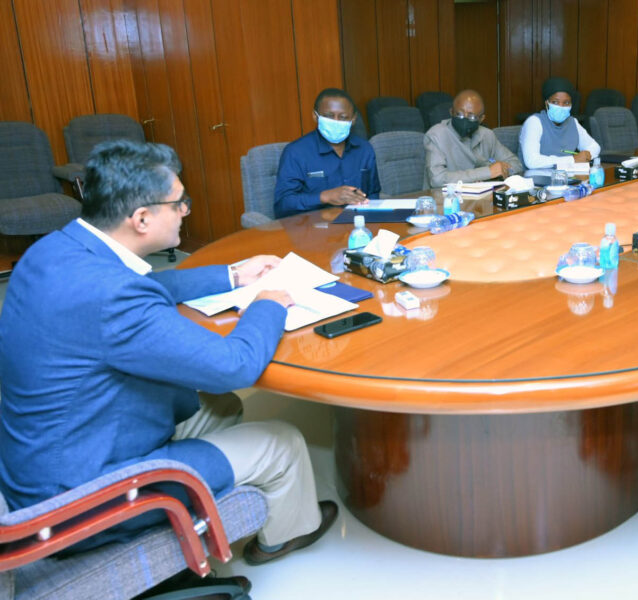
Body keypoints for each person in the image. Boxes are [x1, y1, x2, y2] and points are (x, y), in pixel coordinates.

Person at [0, 140, 337, 567]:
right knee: (282, 442)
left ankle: (211, 481)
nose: (185, 211)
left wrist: (232, 275)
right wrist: (267, 304)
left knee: (218, 407)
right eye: (178, 203)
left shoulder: (56, 248)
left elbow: (142, 286)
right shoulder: (113, 298)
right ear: (142, 218)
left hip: (44, 453)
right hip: (76, 496)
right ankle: (287, 536)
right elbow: (235, 365)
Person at [274, 87, 380, 218]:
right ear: (315, 116)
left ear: (353, 119)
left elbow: (373, 194)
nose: (336, 121)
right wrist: (325, 196)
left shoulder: (364, 149)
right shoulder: (295, 152)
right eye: (329, 116)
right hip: (312, 225)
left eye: (343, 117)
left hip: (358, 223)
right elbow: (283, 205)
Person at [424, 89, 523, 188]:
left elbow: (516, 164)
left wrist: (499, 170)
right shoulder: (436, 135)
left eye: (471, 117)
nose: (464, 120)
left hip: (482, 194)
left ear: (481, 119)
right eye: (459, 114)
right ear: (451, 112)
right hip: (444, 196)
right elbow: (437, 179)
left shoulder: (487, 135)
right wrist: (486, 172)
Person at [519, 79, 600, 170]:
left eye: (566, 103)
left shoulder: (572, 122)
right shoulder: (534, 122)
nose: (561, 106)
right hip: (536, 177)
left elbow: (595, 147)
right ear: (547, 103)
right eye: (555, 102)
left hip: (567, 175)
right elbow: (531, 161)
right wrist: (572, 159)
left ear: (571, 105)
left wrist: (586, 155)